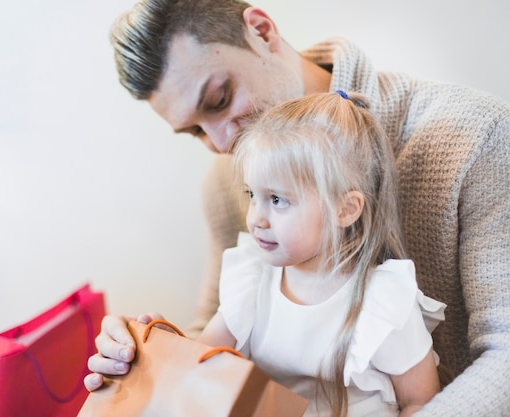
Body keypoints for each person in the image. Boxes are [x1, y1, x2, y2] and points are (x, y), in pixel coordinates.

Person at [86, 1, 510, 415]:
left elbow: (504, 355)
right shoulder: (225, 183)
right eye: (195, 131)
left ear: (262, 31)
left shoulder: (476, 137)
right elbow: (214, 333)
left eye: (219, 99)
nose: (221, 144)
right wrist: (148, 352)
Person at [197, 91, 445, 417]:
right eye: (252, 195)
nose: (255, 217)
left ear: (345, 210)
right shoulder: (253, 278)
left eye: (277, 200)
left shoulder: (382, 304)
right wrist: (151, 339)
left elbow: (421, 401)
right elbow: (198, 360)